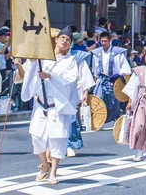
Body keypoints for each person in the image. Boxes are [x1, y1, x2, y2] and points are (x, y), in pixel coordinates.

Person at [21, 27, 78, 185]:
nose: (64, 41)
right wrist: (33, 63)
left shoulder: (70, 61)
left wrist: (50, 76)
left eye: (68, 39)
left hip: (57, 105)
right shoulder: (44, 57)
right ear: (56, 39)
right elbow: (31, 74)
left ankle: (53, 172)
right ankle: (45, 165)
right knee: (37, 137)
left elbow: (70, 80)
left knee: (57, 139)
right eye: (63, 38)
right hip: (41, 102)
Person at [91, 31, 131, 123]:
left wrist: (122, 77)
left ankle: (115, 119)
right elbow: (95, 70)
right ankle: (99, 121)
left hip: (114, 80)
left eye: (105, 41)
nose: (103, 43)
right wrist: (95, 80)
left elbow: (124, 68)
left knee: (114, 102)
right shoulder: (97, 53)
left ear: (110, 40)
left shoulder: (118, 52)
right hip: (101, 80)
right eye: (102, 41)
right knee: (99, 100)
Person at [67, 30, 95, 158]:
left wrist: (85, 91)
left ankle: (70, 145)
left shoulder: (77, 56)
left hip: (72, 91)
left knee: (71, 119)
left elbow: (84, 74)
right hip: (55, 93)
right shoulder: (52, 56)